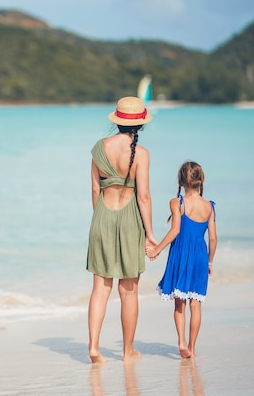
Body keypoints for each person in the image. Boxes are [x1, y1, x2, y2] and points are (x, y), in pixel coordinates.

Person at [86, 96, 157, 363]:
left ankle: (94, 347)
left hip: (102, 217)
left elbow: (95, 190)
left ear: (117, 121)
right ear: (140, 125)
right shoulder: (142, 154)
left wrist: (101, 221)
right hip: (129, 221)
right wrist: (150, 234)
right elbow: (144, 197)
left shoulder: (99, 148)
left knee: (100, 288)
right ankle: (127, 351)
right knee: (129, 290)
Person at [147, 161, 217, 358]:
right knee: (196, 304)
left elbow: (175, 230)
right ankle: (192, 348)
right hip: (200, 257)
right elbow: (212, 238)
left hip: (181, 255)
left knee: (180, 305)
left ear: (181, 181)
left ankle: (181, 342)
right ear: (201, 180)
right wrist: (209, 262)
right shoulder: (209, 207)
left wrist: (157, 249)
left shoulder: (177, 203)